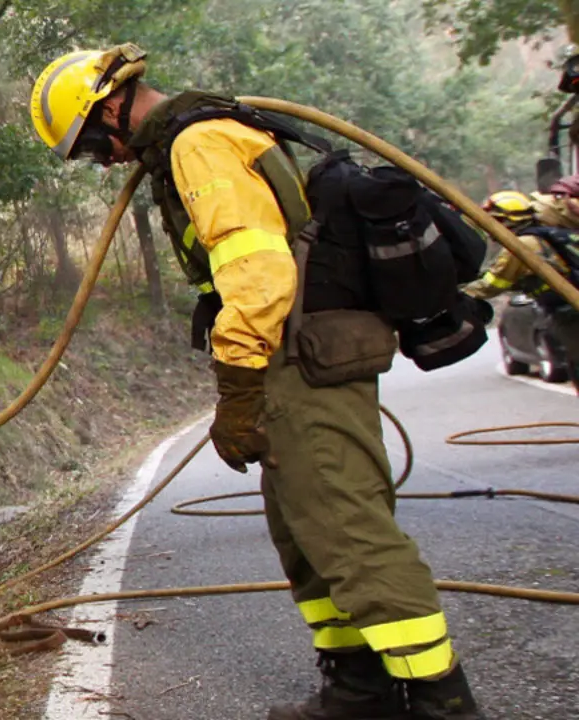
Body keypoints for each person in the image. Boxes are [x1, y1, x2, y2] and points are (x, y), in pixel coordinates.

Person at [30, 45, 481, 719]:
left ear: (113, 106)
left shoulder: (199, 144)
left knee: (349, 534)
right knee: (305, 533)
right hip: (291, 357)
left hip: (300, 358)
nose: (107, 158)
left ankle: (445, 703)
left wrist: (237, 389)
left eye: (95, 142)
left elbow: (260, 275)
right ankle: (358, 691)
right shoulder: (197, 138)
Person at [465, 190, 579, 393]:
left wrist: (462, 293)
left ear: (504, 221)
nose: (491, 232)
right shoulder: (545, 237)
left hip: (569, 313)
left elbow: (493, 284)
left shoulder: (521, 245)